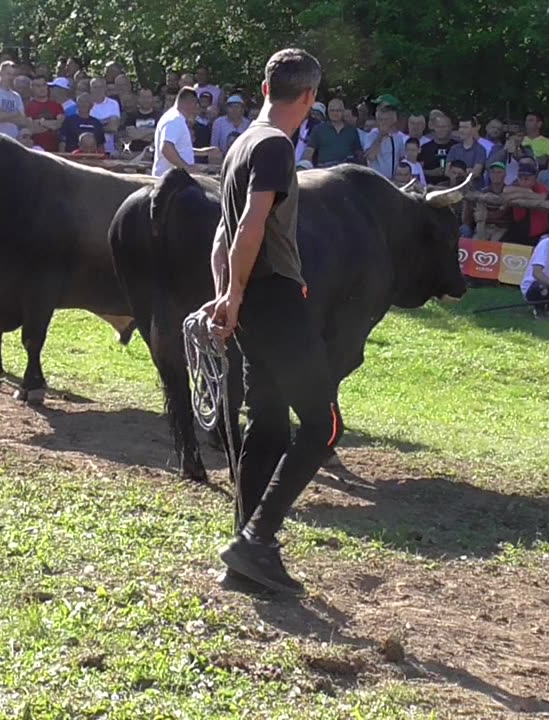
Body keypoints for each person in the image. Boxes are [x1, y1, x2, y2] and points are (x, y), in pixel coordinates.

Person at [202, 47, 332, 597]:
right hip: (275, 297)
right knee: (323, 426)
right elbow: (252, 224)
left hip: (251, 303)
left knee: (271, 426)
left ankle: (245, 557)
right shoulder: (277, 146)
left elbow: (221, 235)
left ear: (262, 88)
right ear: (307, 98)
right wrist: (233, 294)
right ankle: (256, 540)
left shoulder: (240, 145)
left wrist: (225, 296)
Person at [152, 86, 218, 176]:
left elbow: (179, 148)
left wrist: (202, 152)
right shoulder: (174, 119)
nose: (196, 108)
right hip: (169, 182)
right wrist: (186, 168)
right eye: (196, 104)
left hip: (173, 180)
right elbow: (166, 148)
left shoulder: (176, 118)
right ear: (190, 103)